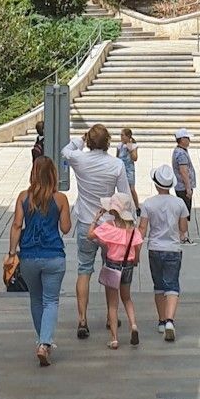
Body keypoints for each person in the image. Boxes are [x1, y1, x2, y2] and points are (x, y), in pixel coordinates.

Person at [62, 125, 131, 340]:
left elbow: (65, 151)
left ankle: (82, 319)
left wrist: (80, 140)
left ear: (89, 141)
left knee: (84, 269)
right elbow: (124, 196)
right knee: (111, 269)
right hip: (109, 224)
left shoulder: (79, 160)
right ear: (108, 142)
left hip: (86, 222)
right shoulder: (116, 164)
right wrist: (129, 223)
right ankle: (111, 316)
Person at [8, 156, 71, 366]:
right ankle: (44, 343)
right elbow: (65, 228)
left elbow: (17, 225)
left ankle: (42, 341)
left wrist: (11, 252)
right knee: (51, 300)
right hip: (54, 255)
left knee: (36, 299)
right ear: (53, 174)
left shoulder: (23, 197)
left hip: (29, 255)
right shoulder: (60, 199)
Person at [139, 163, 189, 341]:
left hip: (155, 248)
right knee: (172, 286)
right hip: (173, 248)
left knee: (159, 286)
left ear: (156, 184)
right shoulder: (179, 203)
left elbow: (142, 229)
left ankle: (161, 321)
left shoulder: (148, 203)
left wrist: (135, 249)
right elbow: (183, 228)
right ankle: (170, 321)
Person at [88, 192, 142, 349]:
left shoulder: (109, 226)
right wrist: (136, 260)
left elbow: (89, 235)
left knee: (112, 304)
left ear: (112, 210)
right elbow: (137, 248)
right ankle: (133, 325)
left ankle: (114, 338)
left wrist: (96, 219)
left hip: (112, 265)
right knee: (127, 298)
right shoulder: (133, 230)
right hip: (128, 265)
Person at [172, 130, 195, 224]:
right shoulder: (181, 154)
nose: (189, 140)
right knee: (184, 214)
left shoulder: (179, 150)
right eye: (187, 138)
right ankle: (183, 231)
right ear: (182, 140)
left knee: (183, 212)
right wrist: (188, 189)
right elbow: (183, 172)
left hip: (180, 186)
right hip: (183, 188)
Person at [116, 128, 140, 213]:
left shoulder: (133, 146)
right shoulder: (119, 146)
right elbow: (117, 158)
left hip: (129, 170)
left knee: (132, 189)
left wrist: (130, 149)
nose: (121, 137)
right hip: (122, 169)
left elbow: (135, 158)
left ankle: (137, 207)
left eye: (122, 135)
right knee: (122, 189)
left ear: (128, 136)